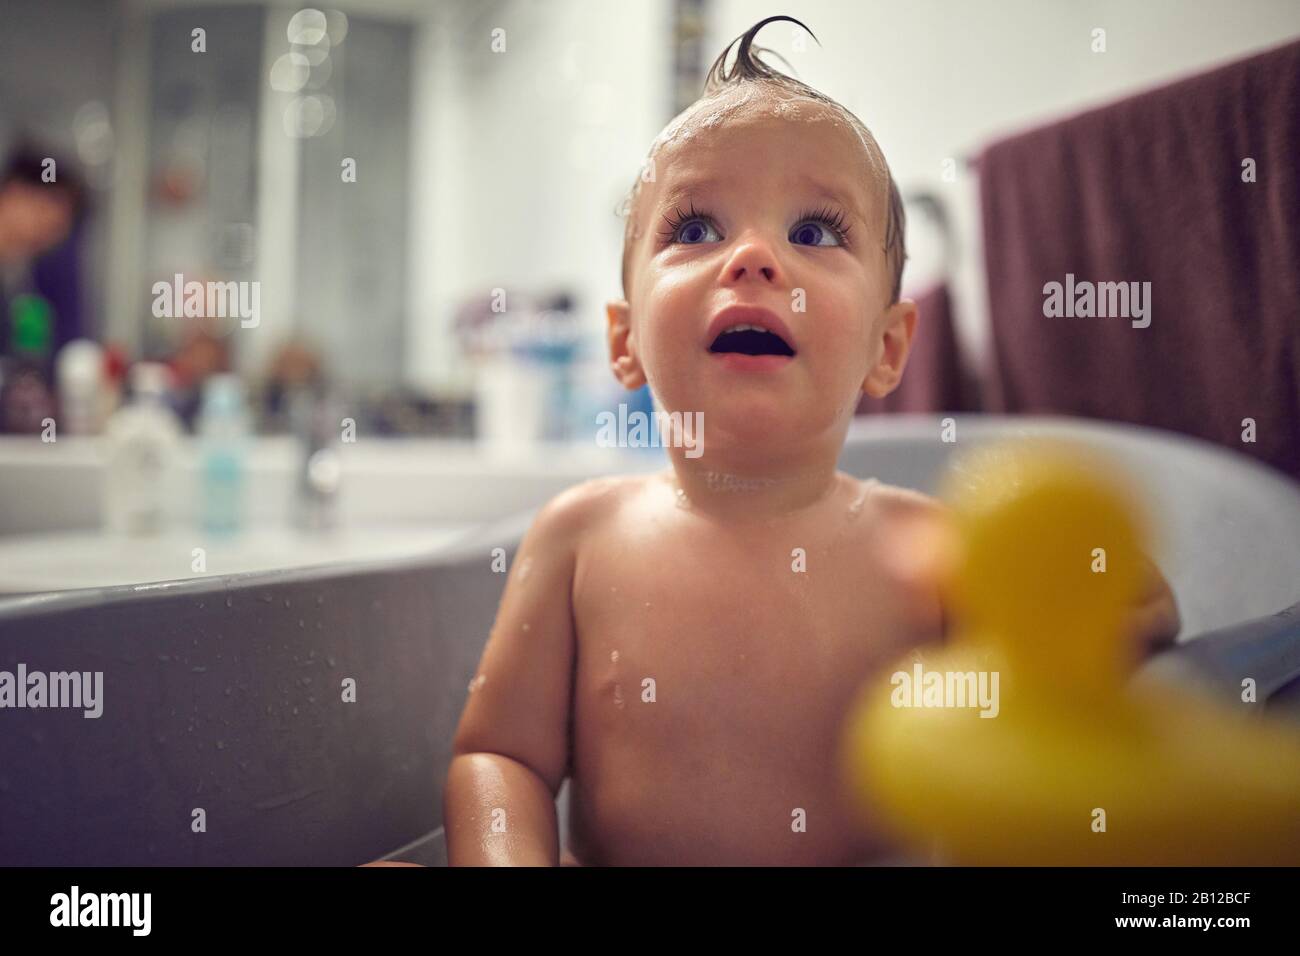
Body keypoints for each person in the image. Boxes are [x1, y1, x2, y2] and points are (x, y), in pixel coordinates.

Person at [441, 15, 1180, 866]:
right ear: (624, 340)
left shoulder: (927, 549)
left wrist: (1078, 591)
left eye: (815, 233)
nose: (752, 257)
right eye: (695, 229)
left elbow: (1120, 622)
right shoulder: (577, 538)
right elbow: (500, 757)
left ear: (887, 347)